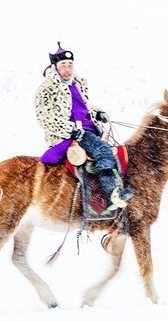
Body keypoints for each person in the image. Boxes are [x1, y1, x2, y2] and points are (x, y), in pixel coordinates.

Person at [34, 43, 134, 210]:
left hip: (88, 129)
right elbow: (45, 119)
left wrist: (97, 113)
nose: (67, 69)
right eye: (63, 65)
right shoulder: (46, 90)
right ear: (55, 67)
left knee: (117, 153)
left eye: (70, 65)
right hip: (68, 134)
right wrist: (72, 131)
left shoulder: (77, 84)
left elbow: (83, 107)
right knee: (103, 151)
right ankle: (111, 195)